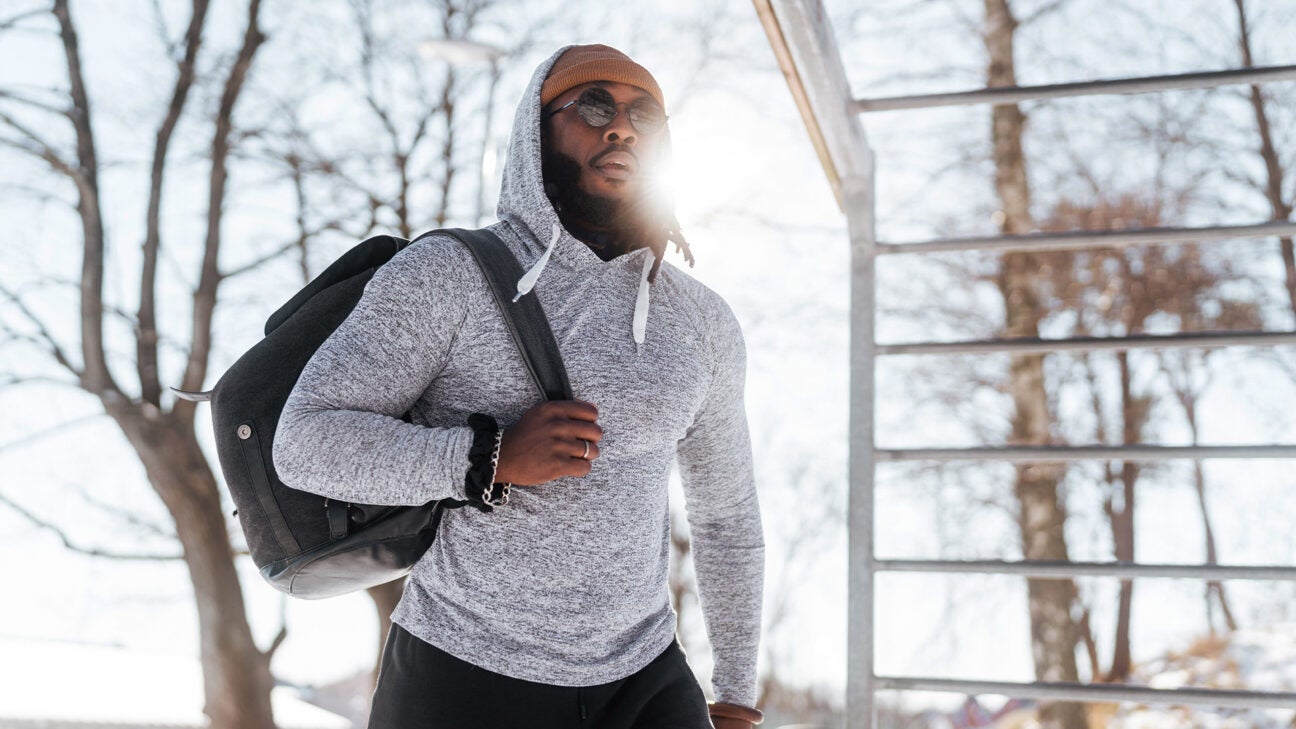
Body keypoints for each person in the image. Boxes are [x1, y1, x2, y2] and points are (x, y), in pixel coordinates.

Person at [273, 43, 765, 729]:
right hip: (463, 670)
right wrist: (488, 457)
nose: (620, 127)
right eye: (593, 107)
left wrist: (737, 692)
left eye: (644, 114)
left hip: (645, 678)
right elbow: (305, 438)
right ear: (536, 135)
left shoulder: (702, 322)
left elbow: (726, 517)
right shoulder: (447, 275)